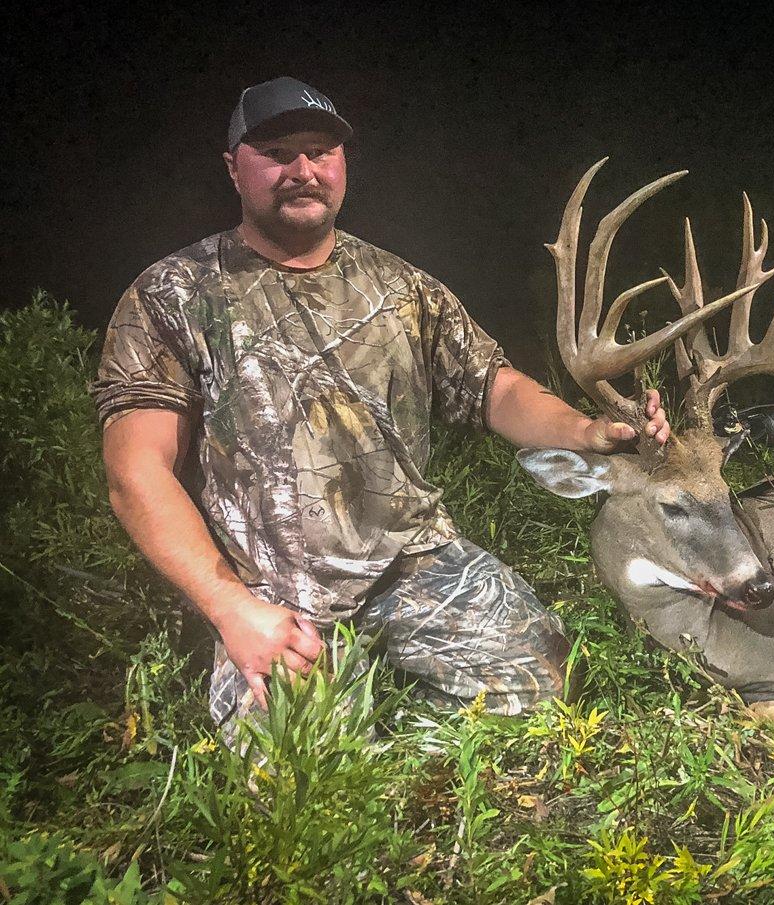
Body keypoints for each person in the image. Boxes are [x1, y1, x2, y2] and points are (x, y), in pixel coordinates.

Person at [89, 76, 669, 743]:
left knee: (546, 688)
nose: (302, 169)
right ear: (233, 167)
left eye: (320, 151)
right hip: (272, 591)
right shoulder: (172, 293)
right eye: (277, 152)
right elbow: (135, 473)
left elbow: (495, 388)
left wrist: (585, 431)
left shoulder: (401, 287)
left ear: (342, 164)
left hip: (414, 560)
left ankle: (418, 754)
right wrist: (232, 610)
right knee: (303, 779)